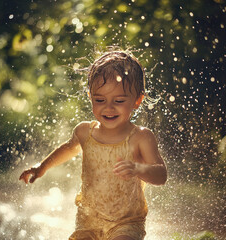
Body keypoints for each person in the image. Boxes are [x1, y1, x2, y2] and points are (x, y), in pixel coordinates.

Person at [19, 50, 167, 240]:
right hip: (88, 220)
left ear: (137, 100)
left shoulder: (141, 137)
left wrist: (138, 168)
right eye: (100, 100)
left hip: (127, 222)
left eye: (119, 101)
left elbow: (161, 175)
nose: (109, 107)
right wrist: (42, 166)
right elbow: (69, 148)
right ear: (90, 97)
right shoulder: (84, 132)